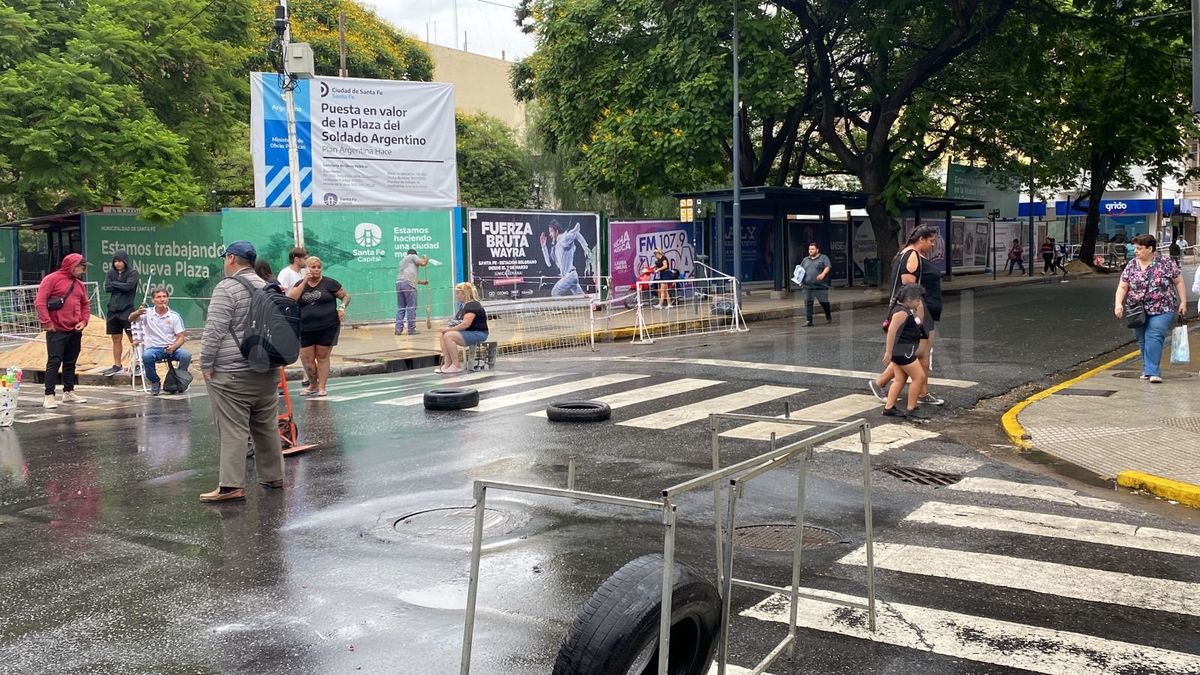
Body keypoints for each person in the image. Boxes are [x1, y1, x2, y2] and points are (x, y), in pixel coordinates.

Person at [198, 240, 284, 503]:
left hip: (232, 372)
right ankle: (273, 476)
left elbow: (215, 330)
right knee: (266, 425)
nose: (225, 262)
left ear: (232, 259)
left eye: (226, 258)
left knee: (233, 428)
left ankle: (230, 486)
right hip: (266, 368)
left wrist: (205, 363)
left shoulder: (227, 288)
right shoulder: (268, 286)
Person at [868, 226, 944, 407]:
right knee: (914, 353)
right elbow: (910, 291)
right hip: (917, 314)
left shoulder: (908, 254)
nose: (932, 245)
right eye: (930, 241)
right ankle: (881, 383)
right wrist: (919, 316)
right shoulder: (912, 256)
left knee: (922, 354)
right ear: (921, 239)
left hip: (923, 313)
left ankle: (922, 392)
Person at [1114, 234, 1187, 383]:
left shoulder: (1165, 263)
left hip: (1163, 307)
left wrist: (1183, 302)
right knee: (1142, 339)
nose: (1136, 251)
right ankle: (1147, 368)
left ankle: (1153, 371)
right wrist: (1118, 304)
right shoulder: (1132, 265)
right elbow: (1123, 286)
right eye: (1135, 248)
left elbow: (1178, 282)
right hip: (1137, 309)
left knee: (1154, 335)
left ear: (1150, 248)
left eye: (1140, 248)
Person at [34, 253, 92, 409]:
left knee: (70, 362)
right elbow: (40, 302)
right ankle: (49, 395)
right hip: (56, 329)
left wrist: (83, 321)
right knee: (54, 361)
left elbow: (85, 305)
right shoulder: (51, 279)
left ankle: (68, 391)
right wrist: (46, 322)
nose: (84, 271)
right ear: (72, 266)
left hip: (75, 329)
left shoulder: (79, 284)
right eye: (82, 267)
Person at [286, 256, 350, 397]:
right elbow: (291, 299)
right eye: (312, 267)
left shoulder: (329, 283)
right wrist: (304, 281)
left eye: (318, 267)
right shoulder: (300, 283)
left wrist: (342, 307)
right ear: (307, 269)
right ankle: (313, 385)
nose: (316, 270)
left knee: (322, 357)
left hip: (327, 326)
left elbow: (345, 296)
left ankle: (322, 386)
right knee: (307, 360)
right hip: (304, 328)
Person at [128, 288, 190, 396]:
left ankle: (178, 379)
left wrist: (174, 346)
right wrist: (137, 312)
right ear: (153, 300)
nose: (162, 300)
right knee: (147, 356)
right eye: (158, 297)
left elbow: (181, 337)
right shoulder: (147, 313)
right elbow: (130, 319)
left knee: (186, 355)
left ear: (168, 299)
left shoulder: (174, 316)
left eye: (164, 297)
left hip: (171, 347)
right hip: (154, 349)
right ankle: (155, 381)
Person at [881, 284, 929, 421]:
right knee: (919, 377)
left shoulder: (906, 309)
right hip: (902, 351)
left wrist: (919, 307)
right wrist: (888, 352)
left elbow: (920, 321)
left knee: (900, 379)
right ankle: (912, 408)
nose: (919, 302)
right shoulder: (901, 312)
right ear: (909, 299)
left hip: (903, 350)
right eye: (918, 300)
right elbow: (891, 331)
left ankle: (889, 408)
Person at [436, 282, 489, 375]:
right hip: (469, 332)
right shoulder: (463, 306)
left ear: (465, 294)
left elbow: (465, 324)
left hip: (478, 333)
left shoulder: (472, 305)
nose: (456, 296)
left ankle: (456, 365)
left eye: (458, 293)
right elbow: (457, 321)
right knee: (442, 335)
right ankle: (448, 362)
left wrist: (448, 330)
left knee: (449, 336)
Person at [101, 250, 139, 377]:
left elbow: (129, 287)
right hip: (113, 310)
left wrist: (114, 284)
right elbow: (107, 287)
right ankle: (117, 365)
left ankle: (138, 364)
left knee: (133, 338)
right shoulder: (110, 272)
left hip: (127, 309)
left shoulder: (132, 272)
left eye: (120, 261)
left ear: (125, 261)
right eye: (115, 261)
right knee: (116, 338)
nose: (117, 264)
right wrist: (119, 285)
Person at [541, 220, 591, 296]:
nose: (550, 234)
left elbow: (576, 234)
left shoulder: (563, 239)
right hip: (570, 276)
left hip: (570, 276)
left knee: (555, 292)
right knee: (580, 298)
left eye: (551, 231)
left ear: (556, 231)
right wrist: (544, 247)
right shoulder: (556, 246)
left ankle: (561, 308)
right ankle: (590, 304)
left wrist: (586, 248)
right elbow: (549, 263)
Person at [395, 248, 429, 336]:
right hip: (409, 285)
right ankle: (411, 329)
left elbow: (408, 277)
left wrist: (422, 282)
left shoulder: (402, 261)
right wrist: (426, 258)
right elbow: (423, 263)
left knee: (401, 307)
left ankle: (398, 329)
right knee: (411, 307)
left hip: (399, 284)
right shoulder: (413, 256)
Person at [799, 242, 832, 326]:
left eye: (812, 249)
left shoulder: (824, 258)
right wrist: (799, 280)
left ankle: (828, 316)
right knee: (808, 302)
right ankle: (809, 320)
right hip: (807, 286)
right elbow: (800, 271)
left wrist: (823, 274)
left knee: (824, 302)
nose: (810, 251)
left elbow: (827, 267)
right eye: (809, 249)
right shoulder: (805, 260)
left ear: (817, 250)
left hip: (820, 286)